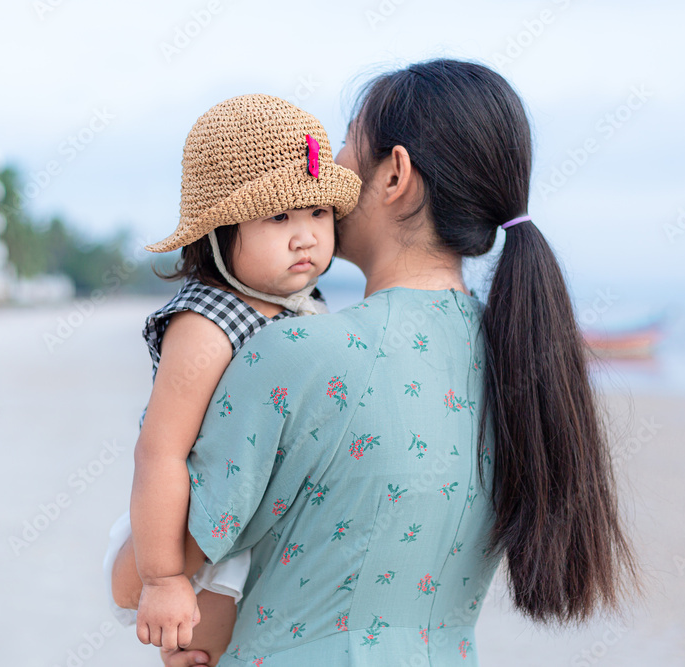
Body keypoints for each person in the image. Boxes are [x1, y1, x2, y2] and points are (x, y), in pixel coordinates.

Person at [112, 59, 637, 666]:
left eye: (344, 143)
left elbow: (140, 580)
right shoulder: (522, 358)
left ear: (394, 176)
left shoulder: (295, 355)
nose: (326, 168)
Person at [103, 94, 361, 651]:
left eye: (319, 213)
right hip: (189, 530)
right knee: (207, 646)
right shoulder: (208, 322)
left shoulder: (300, 303)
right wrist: (164, 578)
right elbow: (160, 451)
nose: (307, 237)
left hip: (258, 521)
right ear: (217, 229)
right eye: (278, 217)